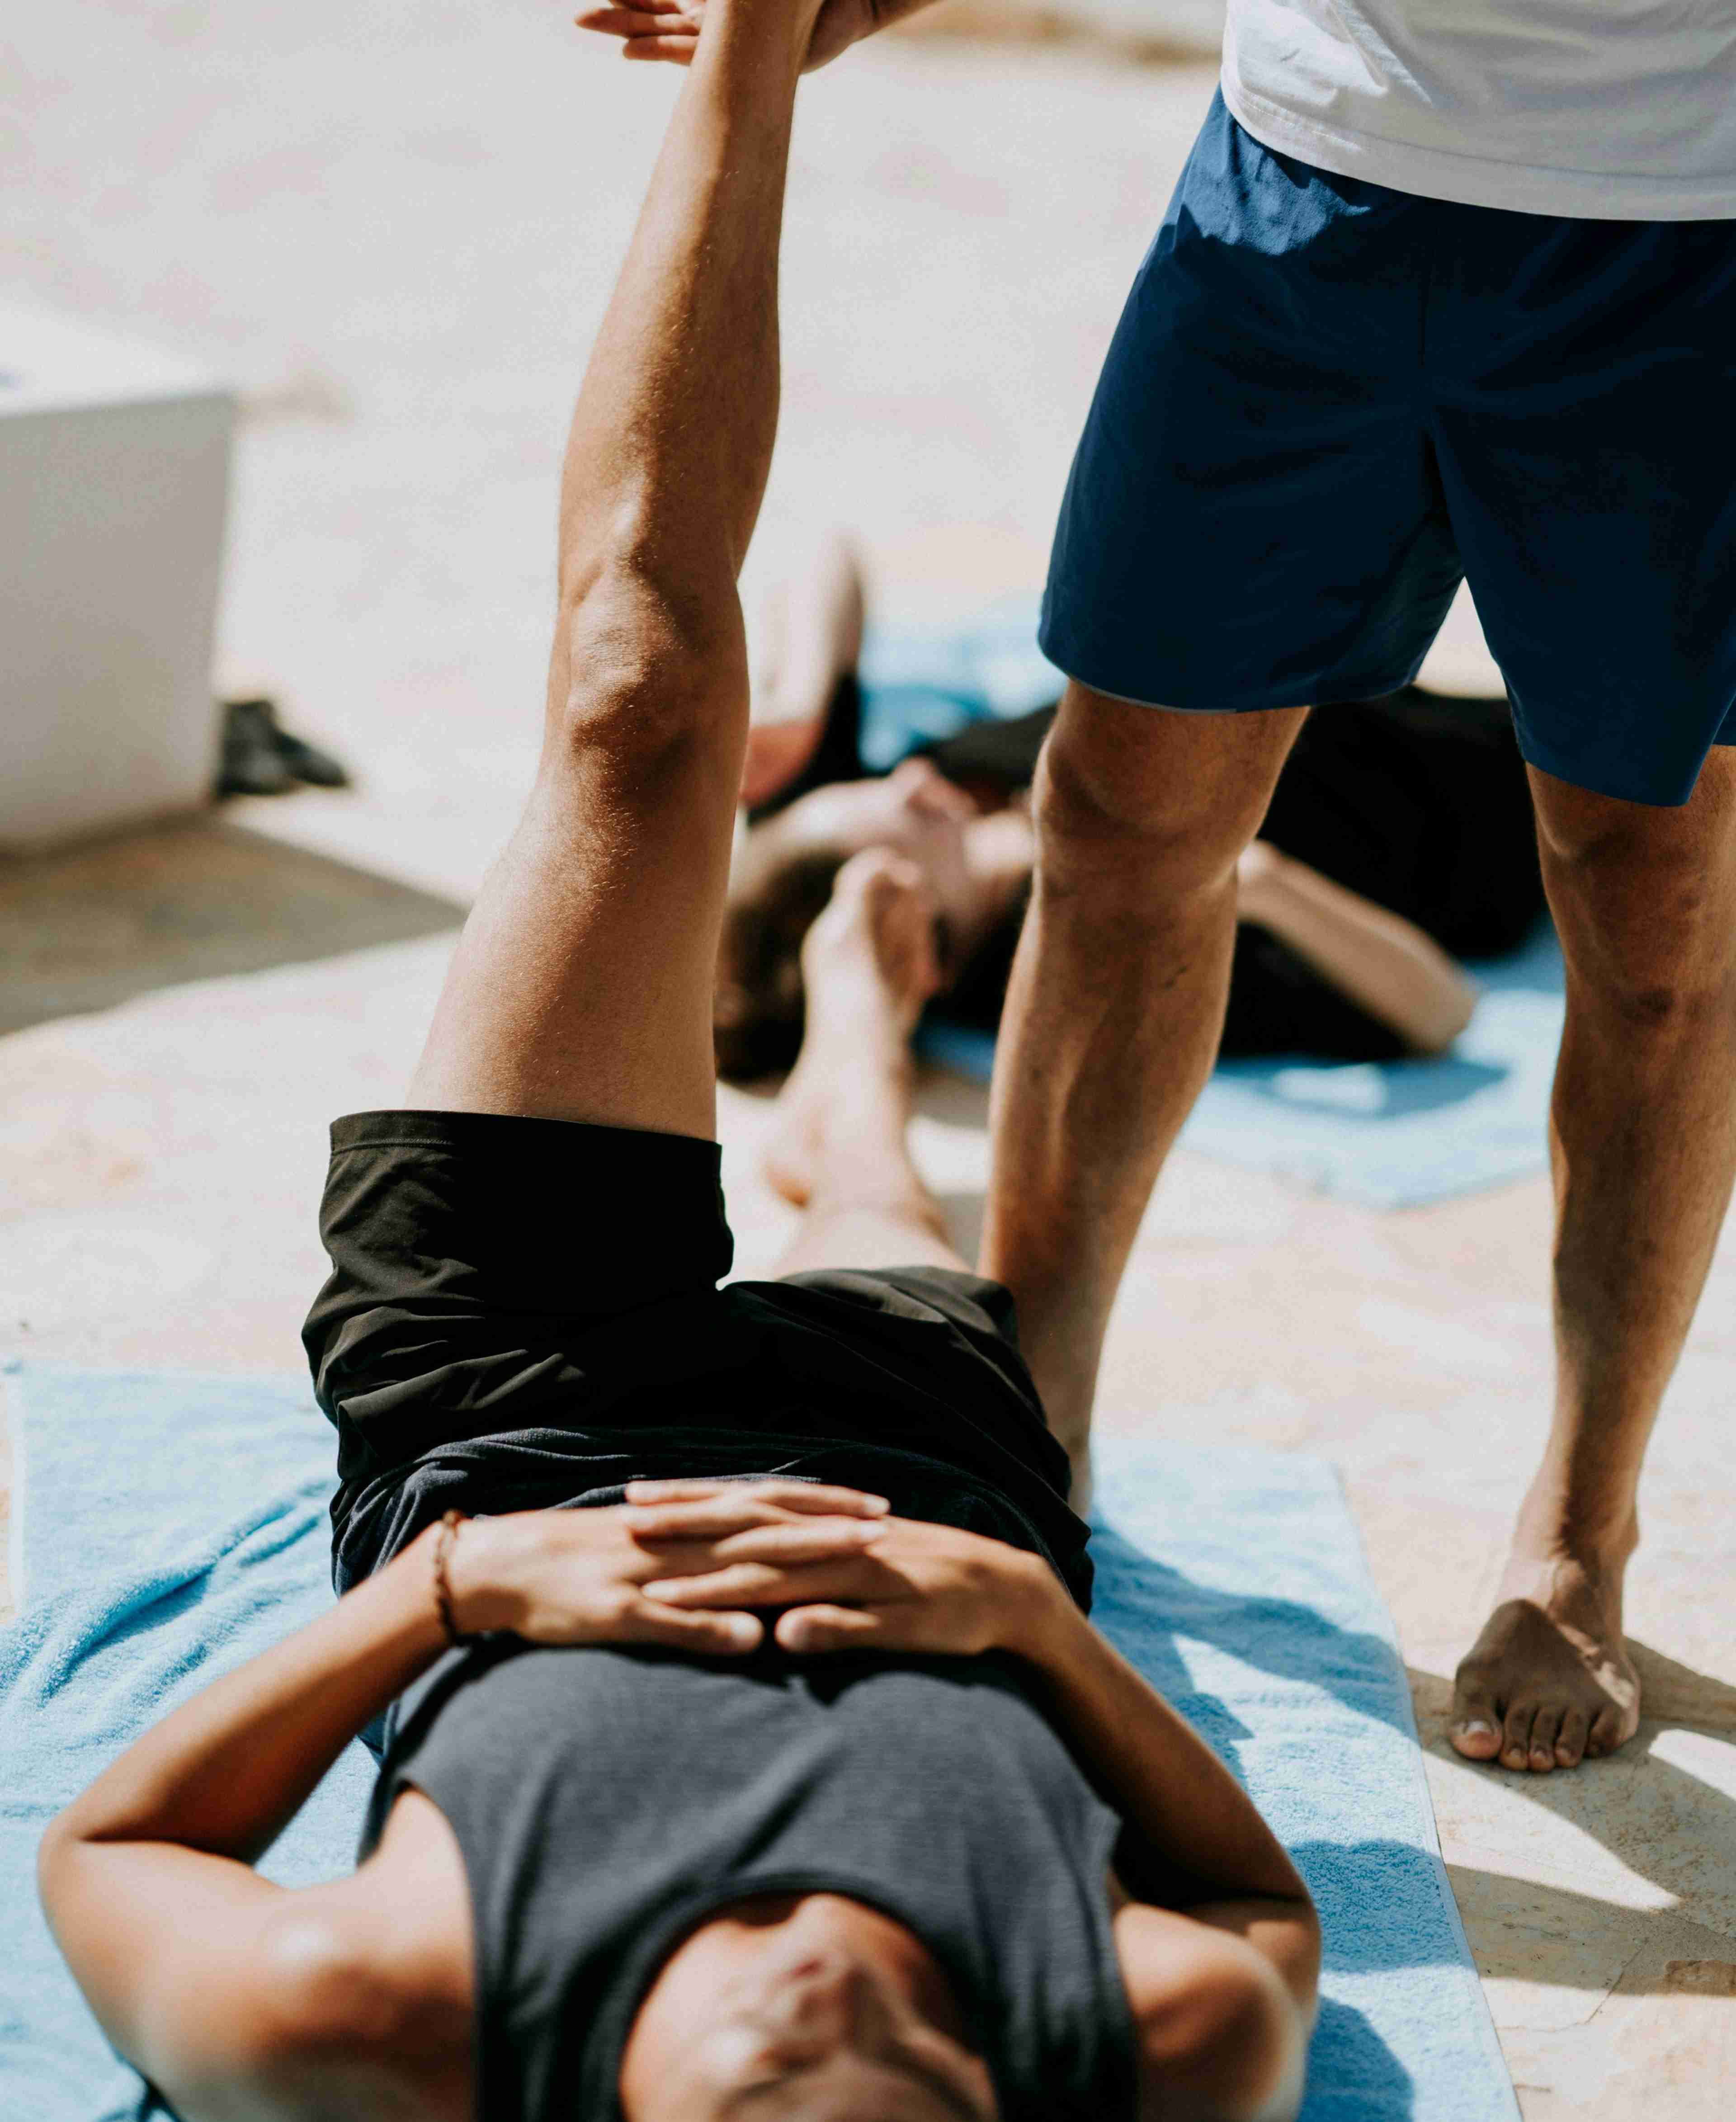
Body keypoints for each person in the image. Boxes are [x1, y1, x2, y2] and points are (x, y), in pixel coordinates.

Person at [37, 8, 1319, 2120]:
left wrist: (455, 1583)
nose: (835, 1992)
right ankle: (847, 1010)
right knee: (865, 1195)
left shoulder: (368, 2026)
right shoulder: (1149, 2049)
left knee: (647, 698)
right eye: (910, 2046)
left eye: (757, 2069)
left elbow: (114, 1853)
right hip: (927, 1474)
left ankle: (747, 36)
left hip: (515, 1412)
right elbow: (1262, 1928)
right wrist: (1020, 1614)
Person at [590, 0, 1736, 1774]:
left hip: (1685, 216)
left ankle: (1579, 1528)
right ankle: (1030, 1432)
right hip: (1304, 178)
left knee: (1654, 907)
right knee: (1117, 824)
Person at [717, 541, 1543, 1118]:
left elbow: (829, 560)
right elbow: (1442, 1012)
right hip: (1502, 808)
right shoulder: (1101, 954)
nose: (914, 777)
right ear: (921, 952)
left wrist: (801, 698)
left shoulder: (844, 826)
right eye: (916, 816)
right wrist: (1263, 884)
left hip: (1379, 688)